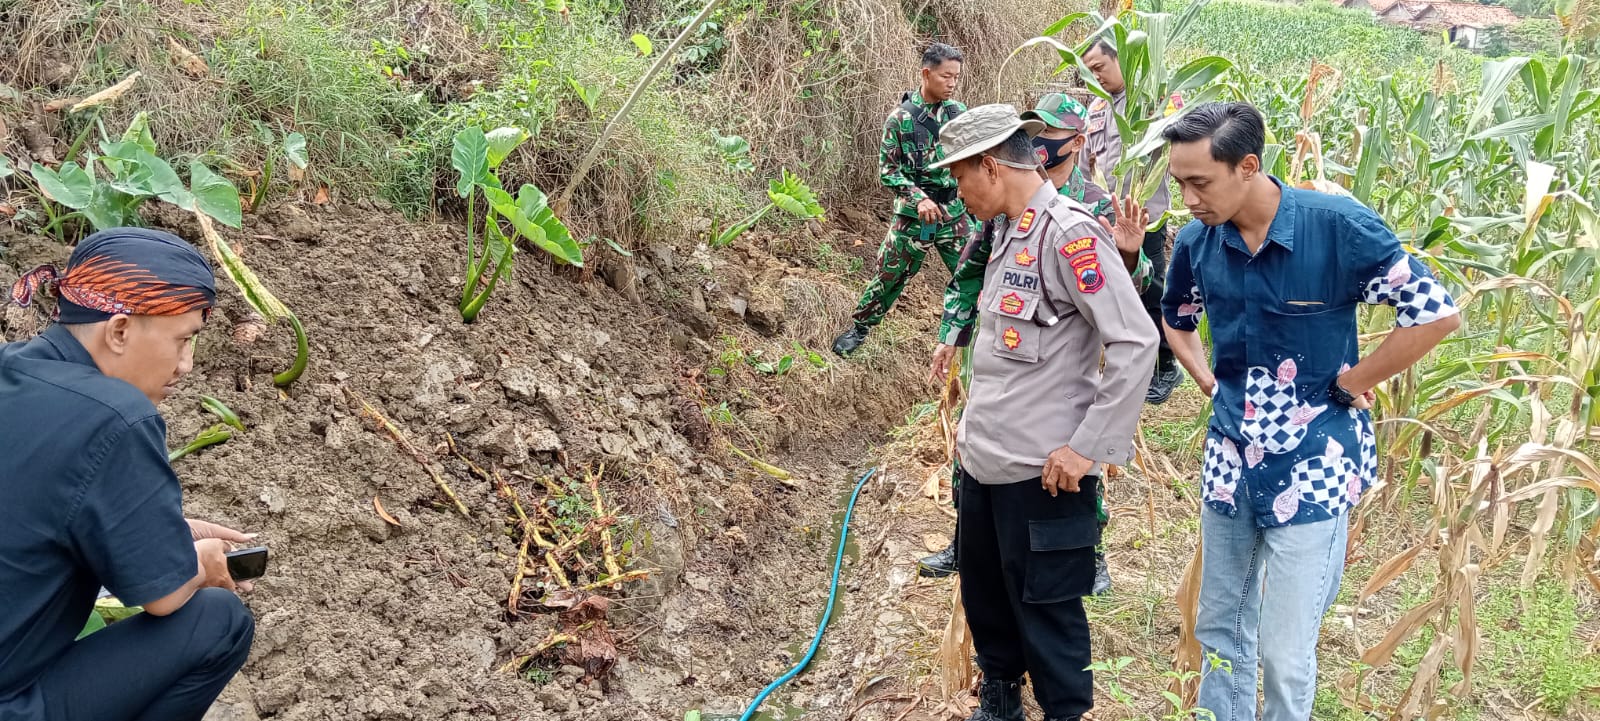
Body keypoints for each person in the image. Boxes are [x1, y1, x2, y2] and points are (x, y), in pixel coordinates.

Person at [1158, 102, 1461, 721]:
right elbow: (1177, 320)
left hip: (1315, 463)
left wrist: (1354, 381)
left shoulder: (1336, 227)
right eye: (1178, 182)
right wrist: (1211, 384)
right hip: (1229, 461)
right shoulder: (1197, 243)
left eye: (1200, 182)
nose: (1187, 198)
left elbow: (1434, 312)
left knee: (1285, 651)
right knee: (1219, 628)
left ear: (1247, 167)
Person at [928, 104, 1157, 721]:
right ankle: (1000, 697)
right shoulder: (1004, 229)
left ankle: (1062, 711)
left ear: (990, 166)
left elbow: (1136, 342)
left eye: (959, 177)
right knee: (987, 598)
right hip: (986, 465)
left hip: (1043, 473)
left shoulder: (1069, 234)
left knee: (1047, 612)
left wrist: (1087, 448)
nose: (957, 191)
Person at [0, 228, 257, 721]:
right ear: (118, 331)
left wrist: (167, 535)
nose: (185, 366)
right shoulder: (116, 416)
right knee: (218, 622)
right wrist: (198, 562)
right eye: (182, 341)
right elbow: (164, 597)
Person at [832, 42, 977, 357]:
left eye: (956, 77)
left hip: (954, 214)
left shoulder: (960, 114)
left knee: (975, 272)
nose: (952, 84)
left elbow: (975, 161)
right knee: (890, 274)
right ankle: (860, 329)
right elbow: (888, 171)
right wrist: (919, 198)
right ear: (926, 73)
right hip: (915, 217)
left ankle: (977, 338)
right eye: (945, 77)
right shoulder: (901, 119)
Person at [1082, 38, 1186, 404]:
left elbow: (1182, 146)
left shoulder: (1156, 100)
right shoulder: (1095, 108)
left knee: (1151, 292)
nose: (1095, 77)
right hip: (1103, 220)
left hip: (1144, 219)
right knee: (1110, 292)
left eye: (1100, 68)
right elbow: (1086, 164)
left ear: (1123, 60)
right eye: (1089, 72)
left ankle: (1166, 364)